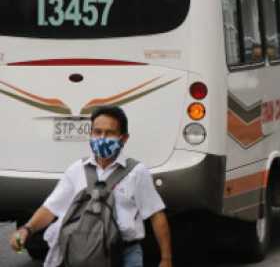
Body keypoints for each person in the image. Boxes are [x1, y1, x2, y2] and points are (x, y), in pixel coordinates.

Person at [9, 105, 173, 267]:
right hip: (82, 253)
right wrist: (26, 230)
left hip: (125, 254)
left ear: (124, 139)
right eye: (97, 132)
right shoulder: (76, 170)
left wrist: (166, 259)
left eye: (109, 133)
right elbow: (51, 208)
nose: (102, 138)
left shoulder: (137, 172)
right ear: (90, 134)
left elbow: (156, 215)